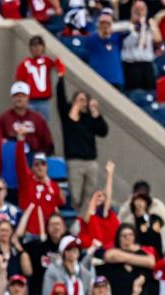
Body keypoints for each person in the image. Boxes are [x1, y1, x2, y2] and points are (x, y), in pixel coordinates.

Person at [55, 67, 108, 212]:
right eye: (79, 100)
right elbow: (60, 99)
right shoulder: (68, 117)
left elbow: (103, 131)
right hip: (75, 161)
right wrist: (60, 79)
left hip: (90, 161)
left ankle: (84, 221)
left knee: (89, 195)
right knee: (76, 195)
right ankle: (77, 218)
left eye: (84, 100)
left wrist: (96, 112)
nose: (82, 103)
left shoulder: (89, 118)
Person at [0, 82, 54, 156]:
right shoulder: (4, 118)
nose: (19, 99)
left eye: (22, 96)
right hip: (12, 157)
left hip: (33, 159)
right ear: (12, 97)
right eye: (16, 96)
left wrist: (39, 156)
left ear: (28, 97)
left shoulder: (38, 119)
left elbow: (48, 145)